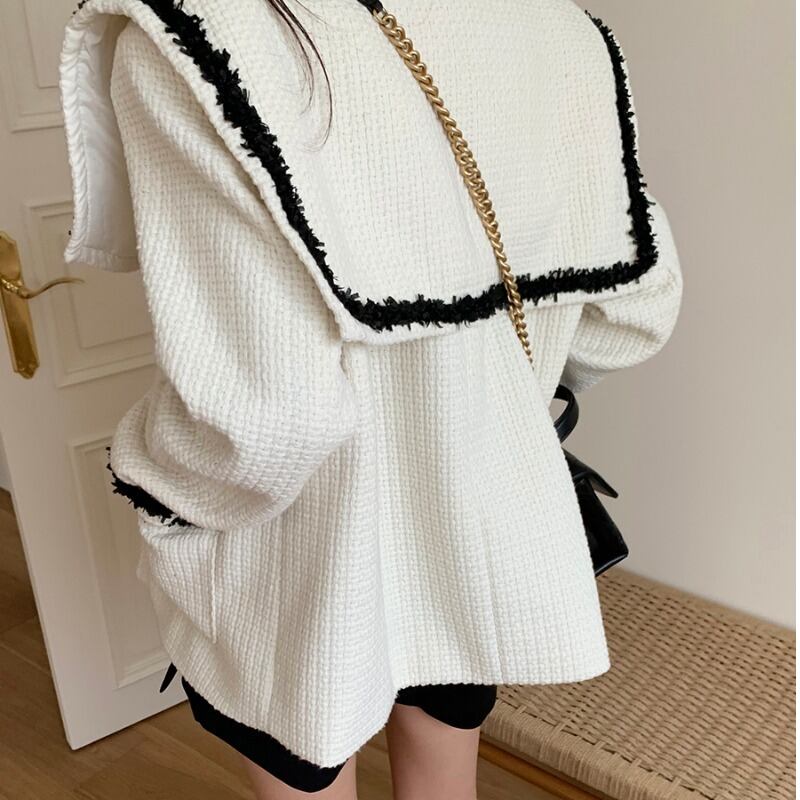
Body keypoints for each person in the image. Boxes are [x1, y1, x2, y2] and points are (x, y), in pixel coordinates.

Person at [59, 0, 683, 797]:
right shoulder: (557, 30)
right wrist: (504, 398)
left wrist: (155, 486)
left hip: (295, 550)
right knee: (444, 776)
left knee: (304, 760)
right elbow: (631, 317)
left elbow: (263, 421)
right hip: (473, 512)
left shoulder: (198, 33)